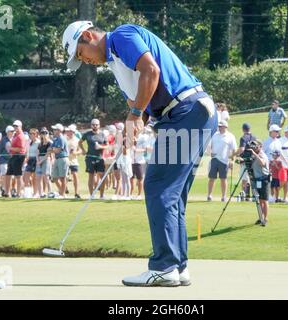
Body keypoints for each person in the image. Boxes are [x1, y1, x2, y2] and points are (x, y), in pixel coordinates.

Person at [62, 20, 217, 286]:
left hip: (185, 113)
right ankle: (177, 267)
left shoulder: (121, 36)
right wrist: (131, 130)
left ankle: (164, 266)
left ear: (88, 36)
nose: (84, 61)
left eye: (80, 53)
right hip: (188, 116)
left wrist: (134, 116)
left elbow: (151, 71)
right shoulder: (116, 63)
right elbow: (141, 104)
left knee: (159, 187)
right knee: (172, 195)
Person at [207, 120, 237, 202]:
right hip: (214, 159)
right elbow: (209, 145)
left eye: (221, 126)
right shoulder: (214, 135)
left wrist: (232, 160)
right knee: (211, 178)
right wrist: (210, 153)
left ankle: (224, 196)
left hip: (224, 161)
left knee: (223, 179)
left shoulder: (230, 136)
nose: (219, 127)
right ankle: (209, 195)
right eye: (219, 126)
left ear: (225, 127)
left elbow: (234, 150)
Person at [80, 119, 108, 199]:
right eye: (93, 124)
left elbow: (107, 145)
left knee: (102, 176)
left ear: (99, 125)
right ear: (91, 125)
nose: (94, 126)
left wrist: (101, 146)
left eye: (96, 124)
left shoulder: (102, 134)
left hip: (100, 158)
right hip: (90, 157)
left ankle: (102, 195)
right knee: (91, 176)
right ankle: (91, 195)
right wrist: (83, 150)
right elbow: (80, 142)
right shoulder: (87, 134)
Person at [248, 140, 270, 226]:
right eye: (253, 147)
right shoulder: (253, 155)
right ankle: (261, 217)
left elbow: (262, 163)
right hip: (257, 180)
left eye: (256, 146)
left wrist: (254, 154)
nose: (254, 148)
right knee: (259, 200)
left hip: (264, 179)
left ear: (260, 146)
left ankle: (266, 218)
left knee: (264, 200)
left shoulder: (262, 155)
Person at [234, 123, 256, 201]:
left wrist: (234, 154)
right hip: (253, 161)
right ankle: (250, 194)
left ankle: (244, 194)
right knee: (251, 178)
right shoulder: (254, 138)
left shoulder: (243, 138)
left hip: (245, 161)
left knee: (244, 179)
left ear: (243, 129)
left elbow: (242, 149)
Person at [5, 120, 27, 198]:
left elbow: (20, 149)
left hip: (19, 156)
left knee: (18, 175)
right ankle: (7, 193)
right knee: (8, 174)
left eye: (16, 126)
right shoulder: (15, 135)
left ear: (20, 126)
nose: (15, 127)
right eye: (14, 126)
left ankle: (19, 193)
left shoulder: (21, 136)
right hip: (14, 156)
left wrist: (10, 148)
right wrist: (11, 150)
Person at [50, 123, 69, 198]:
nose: (53, 131)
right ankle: (62, 192)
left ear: (59, 131)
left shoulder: (61, 138)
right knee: (54, 177)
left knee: (62, 177)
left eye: (55, 129)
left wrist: (53, 149)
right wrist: (53, 149)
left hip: (63, 159)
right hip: (57, 159)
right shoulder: (56, 139)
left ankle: (62, 194)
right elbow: (50, 149)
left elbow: (58, 150)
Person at [0, 126, 14, 197]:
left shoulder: (14, 139)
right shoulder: (3, 140)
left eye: (13, 131)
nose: (13, 132)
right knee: (5, 175)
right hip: (4, 160)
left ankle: (7, 189)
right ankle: (5, 189)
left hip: (12, 161)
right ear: (7, 132)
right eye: (11, 131)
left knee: (12, 177)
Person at [35, 127, 53, 198]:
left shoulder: (50, 143)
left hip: (46, 159)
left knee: (46, 177)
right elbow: (37, 152)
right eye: (42, 133)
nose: (44, 134)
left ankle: (50, 192)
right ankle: (41, 193)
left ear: (48, 134)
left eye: (45, 133)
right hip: (39, 159)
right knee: (38, 177)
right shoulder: (40, 143)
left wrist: (40, 161)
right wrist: (37, 160)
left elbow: (48, 154)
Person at [66, 124, 82, 199]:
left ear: (72, 132)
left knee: (75, 176)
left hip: (73, 161)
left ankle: (76, 193)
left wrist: (76, 153)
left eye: (69, 131)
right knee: (64, 176)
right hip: (65, 160)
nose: (67, 132)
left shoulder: (77, 140)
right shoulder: (65, 139)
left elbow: (80, 150)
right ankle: (64, 189)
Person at [23, 128, 40, 197]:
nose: (31, 135)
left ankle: (35, 193)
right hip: (30, 160)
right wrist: (26, 158)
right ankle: (28, 193)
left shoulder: (39, 142)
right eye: (30, 133)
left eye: (33, 133)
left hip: (36, 160)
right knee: (25, 177)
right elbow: (27, 152)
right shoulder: (29, 142)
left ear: (36, 134)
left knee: (34, 178)